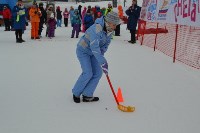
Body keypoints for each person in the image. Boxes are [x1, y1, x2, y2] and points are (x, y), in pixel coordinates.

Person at [72, 11, 120, 103]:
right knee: (88, 72)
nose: (115, 27)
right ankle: (76, 92)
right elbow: (94, 46)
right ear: (109, 22)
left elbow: (105, 45)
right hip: (83, 50)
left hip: (94, 53)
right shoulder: (96, 28)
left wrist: (101, 57)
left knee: (98, 73)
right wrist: (102, 60)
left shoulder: (109, 31)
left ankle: (87, 94)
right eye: (114, 24)